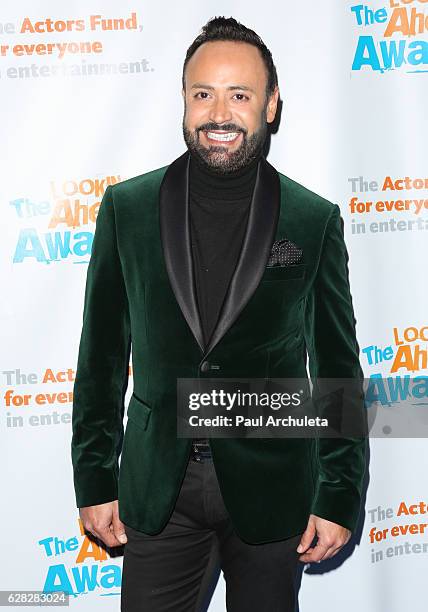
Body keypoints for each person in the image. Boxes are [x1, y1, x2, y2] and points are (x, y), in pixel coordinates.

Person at [71, 16, 367, 611]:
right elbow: (101, 356)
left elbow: (337, 368)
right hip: (160, 491)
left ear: (272, 104)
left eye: (240, 95)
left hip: (274, 489)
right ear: (184, 100)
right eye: (203, 94)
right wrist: (95, 477)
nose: (219, 114)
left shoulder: (313, 221)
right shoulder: (126, 209)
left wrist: (337, 494)